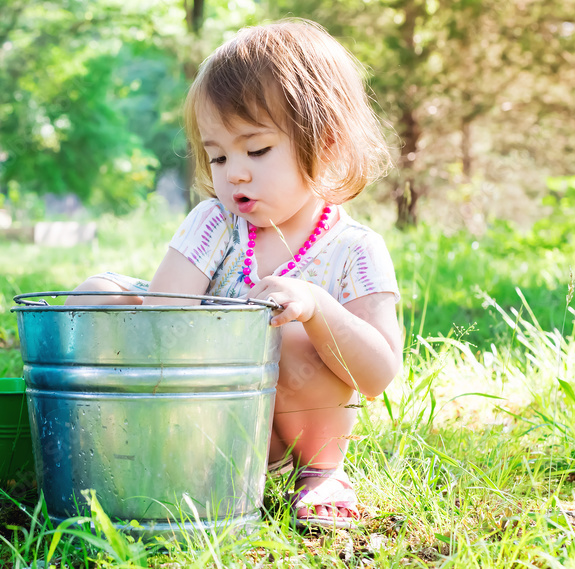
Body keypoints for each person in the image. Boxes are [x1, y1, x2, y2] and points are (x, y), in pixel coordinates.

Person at [66, 19, 403, 529]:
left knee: (290, 335)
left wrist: (316, 307)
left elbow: (378, 375)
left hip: (288, 426)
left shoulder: (355, 250)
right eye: (218, 155)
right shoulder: (214, 224)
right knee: (95, 295)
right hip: (207, 420)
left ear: (327, 144)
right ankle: (120, 446)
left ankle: (321, 472)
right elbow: (165, 320)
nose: (234, 173)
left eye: (257, 149)